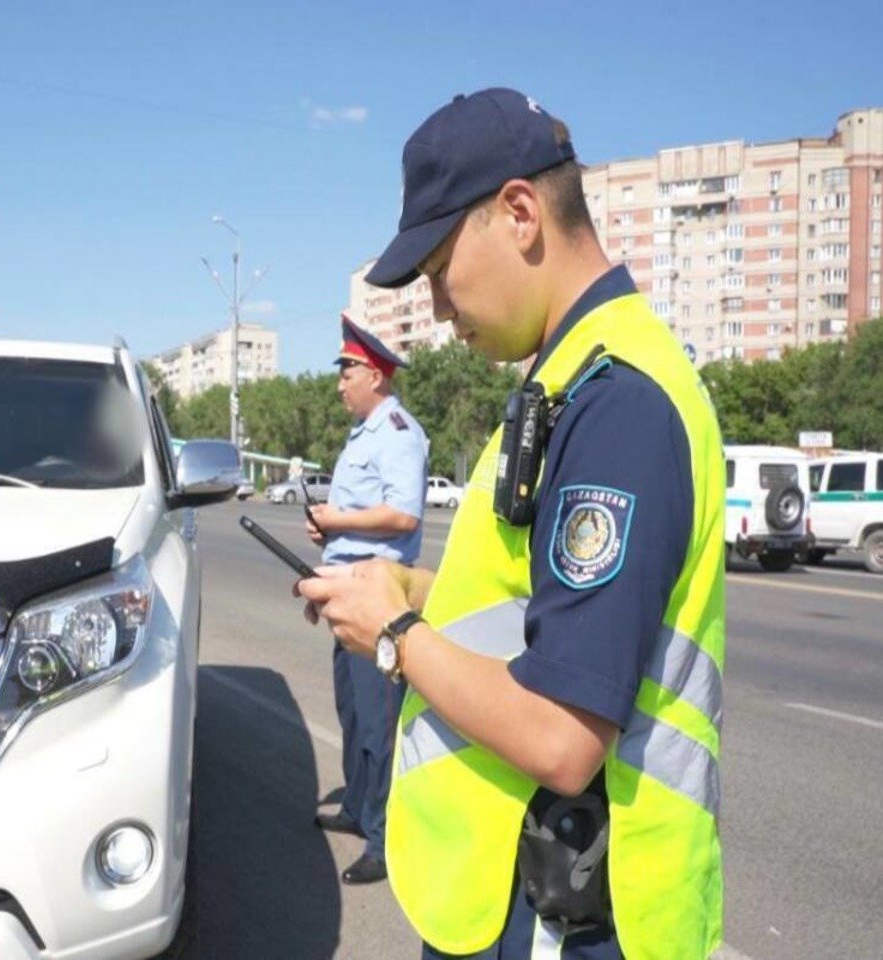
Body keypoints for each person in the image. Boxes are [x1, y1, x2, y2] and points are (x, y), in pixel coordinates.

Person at [297, 88, 726, 959]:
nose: (440, 311)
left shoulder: (617, 408)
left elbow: (564, 737)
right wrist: (411, 586)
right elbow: (543, 601)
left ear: (520, 213)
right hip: (526, 890)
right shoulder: (569, 379)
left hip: (574, 913)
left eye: (439, 271)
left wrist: (395, 634)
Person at [308, 315, 428, 886]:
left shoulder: (400, 432)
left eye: (348, 369)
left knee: (380, 724)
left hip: (377, 596)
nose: (340, 382)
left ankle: (385, 839)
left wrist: (339, 520)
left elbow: (403, 515)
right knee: (353, 714)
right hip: (345, 589)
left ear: (376, 374)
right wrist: (330, 531)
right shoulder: (363, 434)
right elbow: (364, 518)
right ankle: (358, 809)